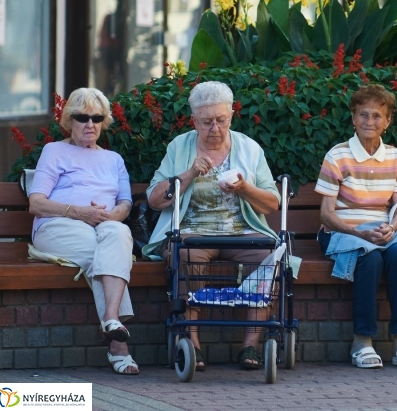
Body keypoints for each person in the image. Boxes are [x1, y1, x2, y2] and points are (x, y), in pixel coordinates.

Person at [145, 81, 281, 372]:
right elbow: (155, 199)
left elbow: (272, 203)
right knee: (186, 254)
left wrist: (245, 188)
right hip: (193, 230)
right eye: (206, 122)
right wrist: (190, 173)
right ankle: (192, 342)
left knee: (269, 258)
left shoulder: (249, 148)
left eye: (221, 120)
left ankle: (251, 345)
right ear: (194, 120)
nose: (214, 128)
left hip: (242, 231)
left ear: (231, 116)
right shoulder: (179, 146)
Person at [28, 88, 137, 375]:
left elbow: (125, 203)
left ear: (104, 122)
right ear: (69, 121)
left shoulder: (114, 160)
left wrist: (110, 216)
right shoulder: (55, 151)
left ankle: (111, 319)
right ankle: (119, 346)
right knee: (99, 253)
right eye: (82, 117)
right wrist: (79, 212)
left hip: (104, 225)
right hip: (58, 226)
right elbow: (36, 203)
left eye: (97, 117)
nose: (90, 124)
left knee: (119, 234)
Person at [315, 84, 397, 369]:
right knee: (370, 255)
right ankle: (361, 342)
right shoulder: (337, 156)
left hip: (380, 230)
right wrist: (359, 233)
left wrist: (393, 228)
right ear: (353, 118)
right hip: (341, 232)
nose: (369, 121)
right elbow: (326, 215)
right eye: (363, 115)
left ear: (387, 122)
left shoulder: (395, 157)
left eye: (377, 116)